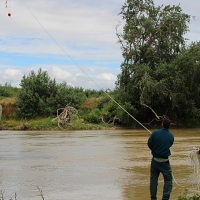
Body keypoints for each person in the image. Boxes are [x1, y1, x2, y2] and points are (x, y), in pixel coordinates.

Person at [148, 118, 174, 200]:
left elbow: (149, 144)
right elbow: (169, 145)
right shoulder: (171, 136)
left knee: (153, 180)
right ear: (169, 126)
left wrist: (154, 148)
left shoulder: (155, 133)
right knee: (168, 180)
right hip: (165, 162)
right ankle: (165, 198)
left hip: (155, 160)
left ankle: (153, 198)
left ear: (162, 124)